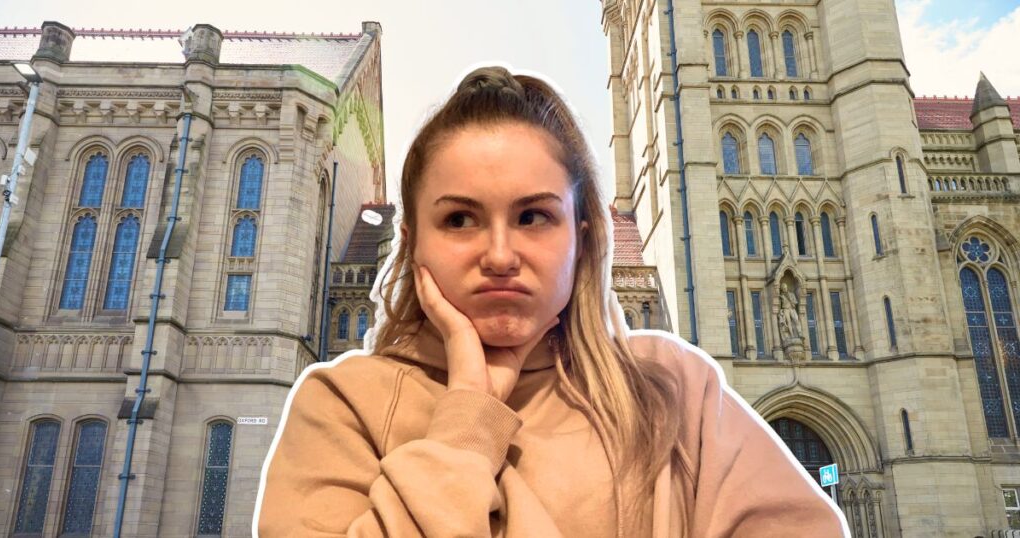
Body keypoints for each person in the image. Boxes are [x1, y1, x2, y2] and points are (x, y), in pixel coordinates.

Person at [254, 65, 849, 537]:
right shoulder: (339, 408)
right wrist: (465, 426)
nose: (500, 253)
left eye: (533, 216)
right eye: (460, 218)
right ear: (411, 245)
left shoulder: (674, 391)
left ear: (581, 240)